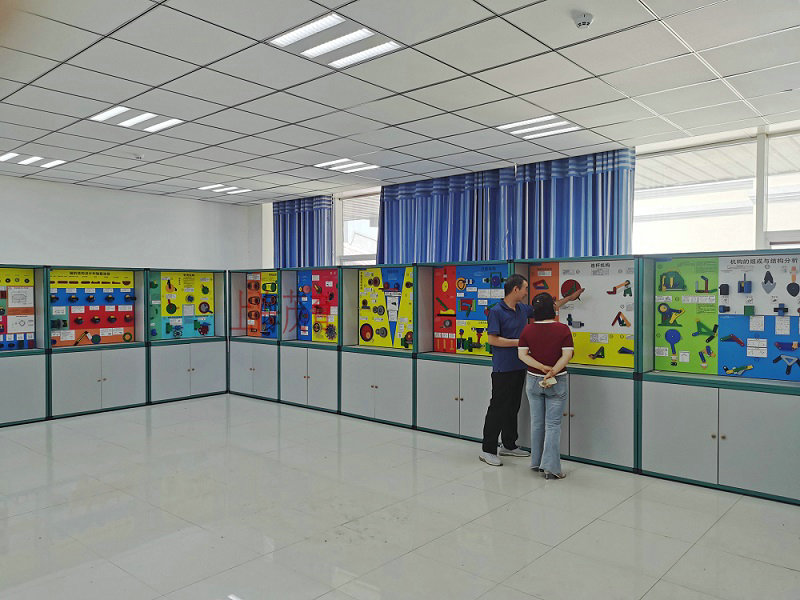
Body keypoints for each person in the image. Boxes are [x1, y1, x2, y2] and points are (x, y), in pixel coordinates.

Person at [479, 275, 581, 467]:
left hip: (520, 366)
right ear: (515, 289)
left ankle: (508, 444)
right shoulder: (496, 311)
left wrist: (570, 297)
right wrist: (521, 343)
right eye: (525, 288)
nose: (527, 292)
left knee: (513, 407)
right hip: (503, 368)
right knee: (498, 408)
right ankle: (488, 450)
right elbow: (492, 340)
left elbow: (549, 307)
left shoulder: (522, 309)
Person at [518, 292, 574, 480]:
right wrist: (553, 370)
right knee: (553, 425)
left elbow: (522, 355)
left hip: (533, 380)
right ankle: (551, 468)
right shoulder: (563, 329)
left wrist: (541, 367)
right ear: (553, 308)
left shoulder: (527, 330)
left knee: (537, 423)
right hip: (557, 381)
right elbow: (567, 355)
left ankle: (536, 462)